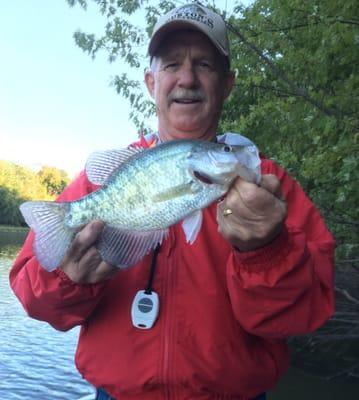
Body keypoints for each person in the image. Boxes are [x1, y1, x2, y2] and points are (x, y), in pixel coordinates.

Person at [10, 4, 335, 400]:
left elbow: (301, 317)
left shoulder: (268, 188)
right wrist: (67, 280)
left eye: (204, 64)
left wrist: (267, 251)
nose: (186, 78)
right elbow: (35, 299)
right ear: (151, 82)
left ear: (228, 83)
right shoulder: (101, 182)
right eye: (171, 65)